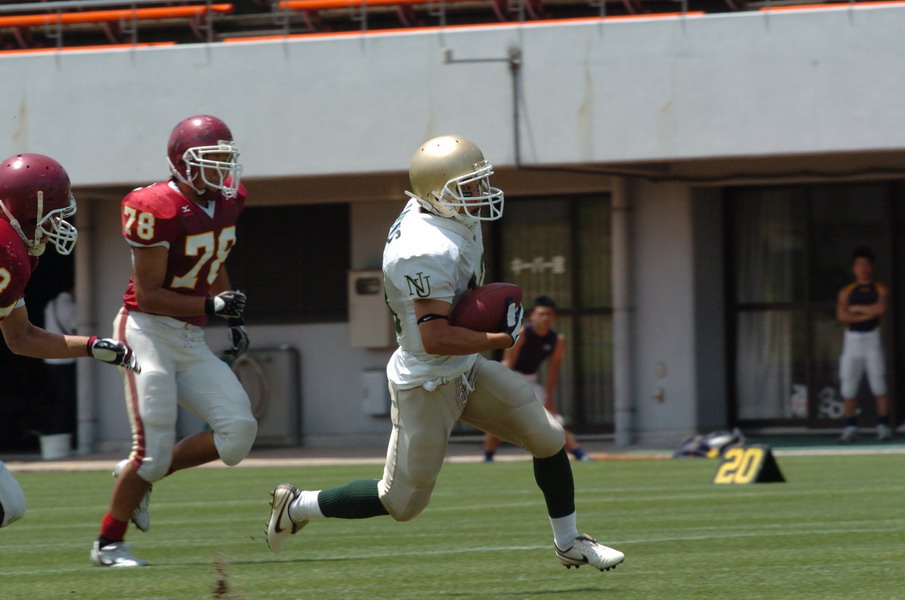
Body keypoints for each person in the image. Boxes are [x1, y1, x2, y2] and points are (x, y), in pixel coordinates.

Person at [264, 135, 624, 572]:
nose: (479, 194)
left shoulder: (445, 212)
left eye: (480, 182)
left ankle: (569, 542)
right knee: (401, 502)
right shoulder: (424, 248)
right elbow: (436, 337)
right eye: (467, 188)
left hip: (464, 367)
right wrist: (502, 338)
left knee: (548, 438)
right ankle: (297, 506)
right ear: (436, 194)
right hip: (427, 379)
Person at [90, 115, 255, 567]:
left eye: (226, 158)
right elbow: (148, 294)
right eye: (212, 159)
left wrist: (230, 314)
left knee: (238, 433)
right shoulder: (154, 206)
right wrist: (212, 306)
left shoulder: (230, 200)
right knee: (152, 449)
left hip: (189, 335)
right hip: (147, 330)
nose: (223, 169)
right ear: (183, 163)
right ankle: (108, 544)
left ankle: (141, 478)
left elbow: (214, 260)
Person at [0, 153, 140, 529]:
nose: (58, 225)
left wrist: (91, 346)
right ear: (28, 209)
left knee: (7, 504)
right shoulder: (6, 250)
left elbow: (21, 337)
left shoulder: (16, 250)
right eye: (53, 215)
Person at [484, 295, 591, 462]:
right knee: (499, 419)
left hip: (530, 380)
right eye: (541, 314)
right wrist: (504, 390)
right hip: (509, 376)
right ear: (533, 316)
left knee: (552, 419)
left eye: (549, 314)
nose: (545, 318)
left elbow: (553, 370)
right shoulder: (522, 333)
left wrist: (549, 397)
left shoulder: (557, 339)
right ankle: (488, 457)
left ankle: (580, 454)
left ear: (554, 317)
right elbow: (508, 362)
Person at [835, 246, 892, 443]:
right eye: (859, 265)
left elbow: (881, 309)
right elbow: (842, 315)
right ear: (854, 268)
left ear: (872, 267)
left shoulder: (880, 289)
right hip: (852, 341)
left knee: (879, 382)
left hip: (872, 338)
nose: (863, 268)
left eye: (866, 264)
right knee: (848, 385)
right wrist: (868, 313)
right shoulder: (846, 291)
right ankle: (850, 427)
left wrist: (857, 309)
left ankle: (883, 425)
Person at [43, 286, 78, 443]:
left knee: (57, 398)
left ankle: (54, 433)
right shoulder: (70, 306)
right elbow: (76, 327)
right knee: (66, 400)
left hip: (50, 358)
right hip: (66, 359)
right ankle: (62, 434)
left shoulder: (51, 304)